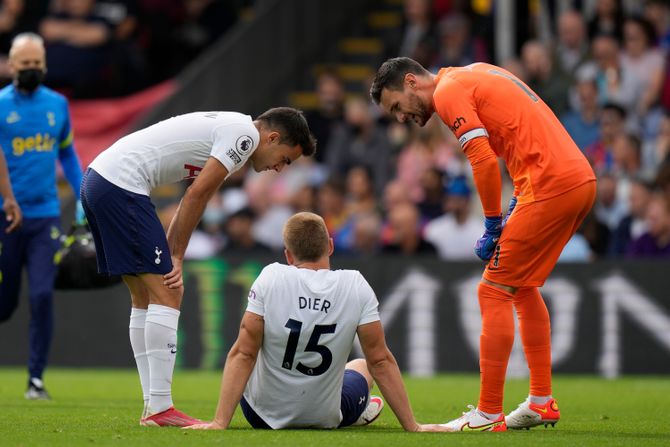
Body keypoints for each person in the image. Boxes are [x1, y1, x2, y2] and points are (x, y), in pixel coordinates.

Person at [370, 57, 596, 431]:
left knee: (492, 290)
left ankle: (488, 412)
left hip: (549, 185)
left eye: (397, 106)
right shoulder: (475, 72)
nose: (400, 117)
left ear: (411, 82)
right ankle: (541, 400)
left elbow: (484, 160)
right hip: (577, 180)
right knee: (520, 287)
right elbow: (520, 133)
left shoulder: (447, 93)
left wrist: (492, 223)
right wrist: (513, 204)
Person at [80, 107, 316, 427]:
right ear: (273, 138)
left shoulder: (234, 127)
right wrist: (176, 255)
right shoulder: (245, 137)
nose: (279, 168)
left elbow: (193, 197)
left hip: (99, 180)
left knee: (144, 296)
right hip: (122, 184)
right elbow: (197, 195)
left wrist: (172, 250)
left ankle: (153, 405)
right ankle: (160, 408)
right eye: (285, 159)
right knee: (169, 291)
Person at [186, 212, 449, 432]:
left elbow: (243, 352)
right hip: (325, 417)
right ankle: (359, 409)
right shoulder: (355, 284)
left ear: (288, 255)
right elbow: (380, 360)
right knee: (362, 365)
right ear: (330, 246)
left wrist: (219, 422)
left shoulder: (271, 277)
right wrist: (413, 426)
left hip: (261, 416)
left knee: (254, 351)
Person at [0, 32, 83, 401]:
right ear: (11, 64)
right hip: (4, 218)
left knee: (42, 295)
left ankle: (35, 379)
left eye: (37, 63)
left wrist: (83, 197)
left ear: (44, 65)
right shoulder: (0, 105)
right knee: (5, 304)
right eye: (25, 63)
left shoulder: (58, 105)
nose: (31, 69)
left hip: (45, 216)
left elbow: (67, 154)